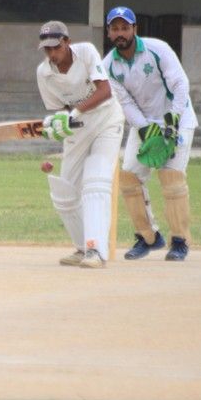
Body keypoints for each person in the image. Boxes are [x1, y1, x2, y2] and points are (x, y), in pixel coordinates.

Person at [102, 6, 198, 261]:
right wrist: (146, 130)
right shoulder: (108, 65)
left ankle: (180, 241)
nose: (120, 33)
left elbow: (180, 84)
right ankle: (148, 237)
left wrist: (173, 120)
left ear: (134, 29)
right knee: (129, 177)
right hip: (144, 123)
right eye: (115, 29)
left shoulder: (158, 49)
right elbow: (125, 102)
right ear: (109, 32)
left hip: (177, 118)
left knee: (172, 178)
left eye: (125, 28)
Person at [36, 20, 125, 268]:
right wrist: (56, 125)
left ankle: (96, 250)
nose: (52, 54)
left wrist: (73, 113)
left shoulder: (85, 52)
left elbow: (105, 91)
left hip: (107, 120)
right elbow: (59, 110)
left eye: (56, 47)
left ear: (67, 42)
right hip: (79, 128)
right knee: (64, 192)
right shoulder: (43, 73)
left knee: (96, 182)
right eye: (47, 49)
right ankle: (82, 247)